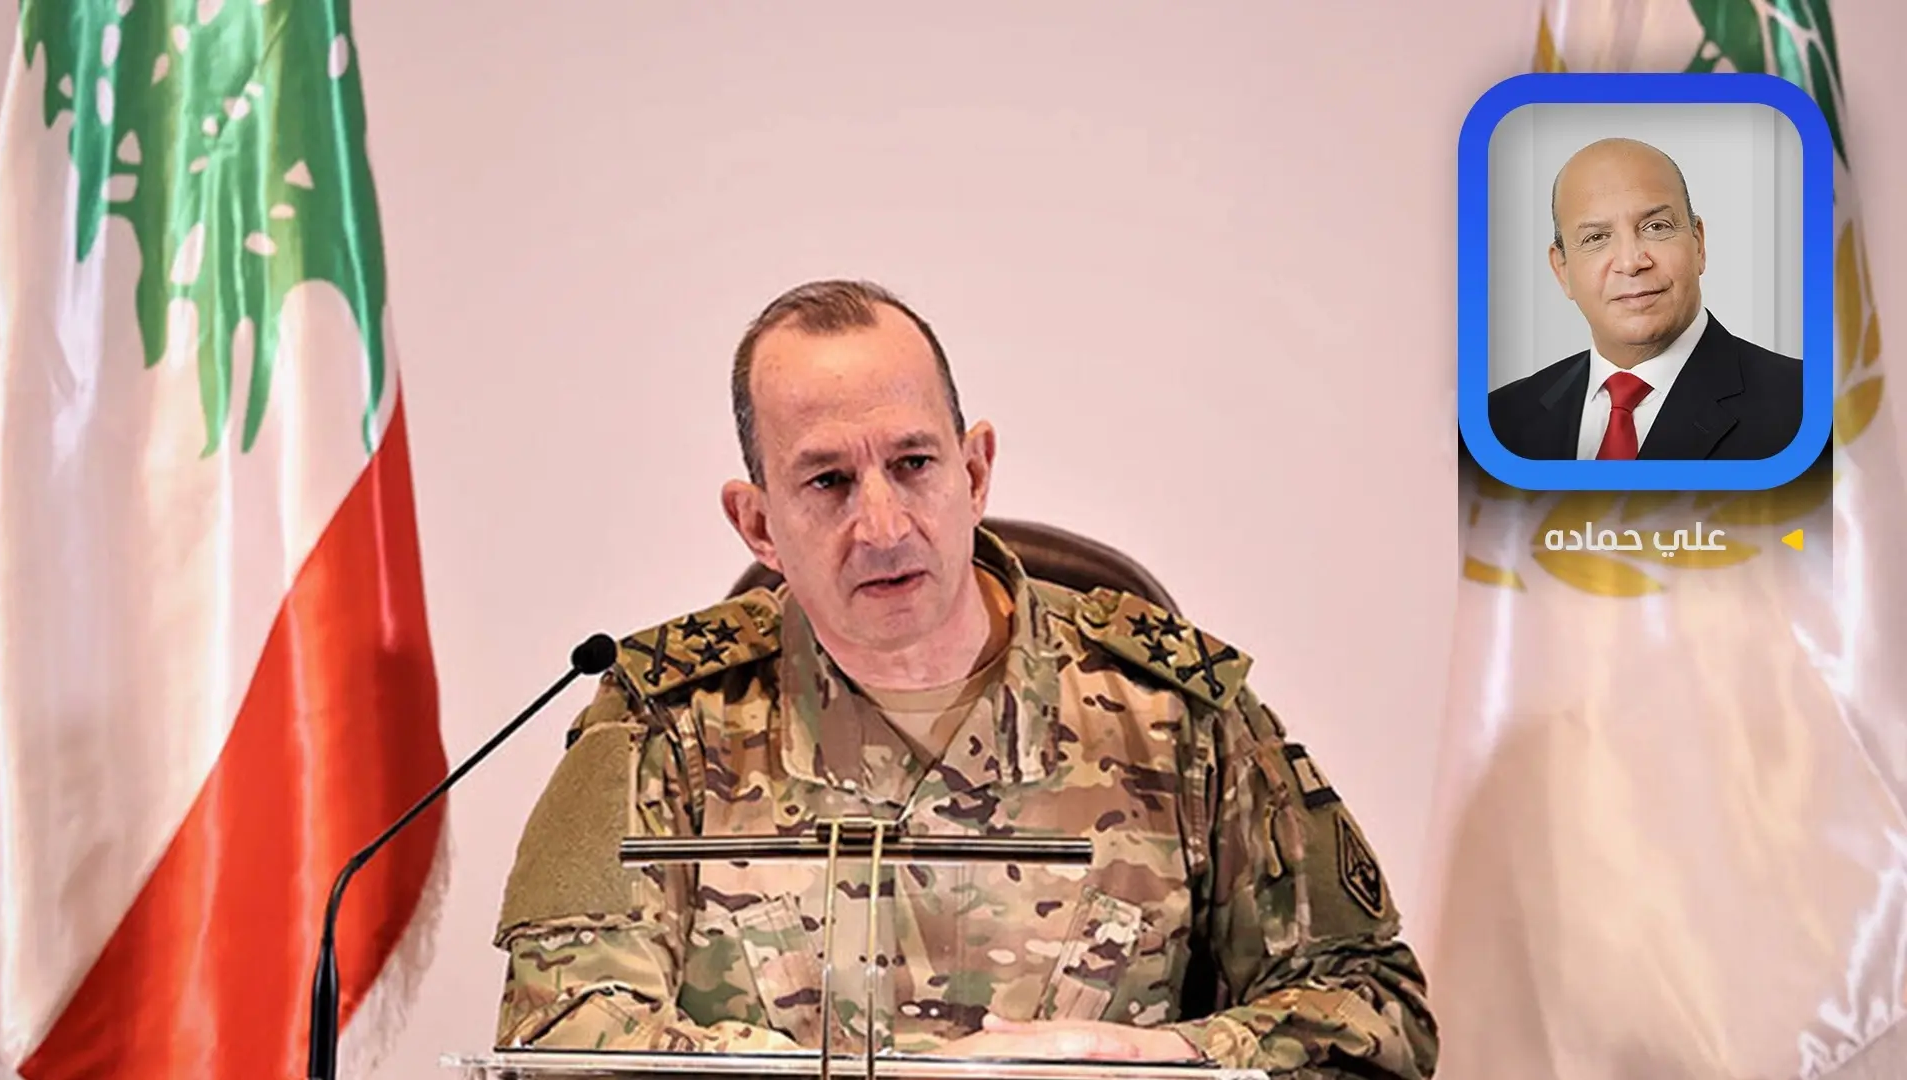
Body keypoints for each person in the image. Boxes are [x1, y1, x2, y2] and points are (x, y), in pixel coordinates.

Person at [491, 279, 1439, 1075]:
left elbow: (1377, 1012)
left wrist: (1165, 1058)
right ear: (759, 524)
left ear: (975, 472)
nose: (883, 527)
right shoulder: (661, 724)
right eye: (827, 482)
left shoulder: (1174, 716)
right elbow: (556, 1040)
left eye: (913, 464)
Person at [1488, 137, 1803, 461]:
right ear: (1562, 269)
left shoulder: (1810, 406)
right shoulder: (1496, 423)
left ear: (1698, 244)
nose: (1631, 262)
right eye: (1596, 237)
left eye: (1655, 227)